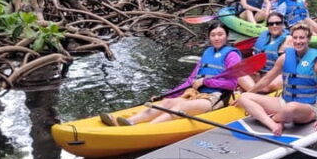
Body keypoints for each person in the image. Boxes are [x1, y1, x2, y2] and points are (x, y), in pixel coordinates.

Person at [99, 21, 253, 126]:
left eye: (220, 34)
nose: (217, 38)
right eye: (213, 35)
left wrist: (206, 82)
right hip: (196, 93)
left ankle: (145, 129)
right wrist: (166, 95)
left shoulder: (232, 55)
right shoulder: (207, 53)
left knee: (179, 106)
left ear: (226, 36)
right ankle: (129, 121)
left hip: (216, 98)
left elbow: (232, 84)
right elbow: (190, 81)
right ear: (209, 37)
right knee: (166, 103)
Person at [236, 23, 317, 136]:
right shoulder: (284, 58)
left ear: (309, 39)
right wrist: (249, 92)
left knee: (291, 108)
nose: (298, 41)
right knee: (244, 97)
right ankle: (273, 124)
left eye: (302, 38)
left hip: (307, 108)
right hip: (283, 102)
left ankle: (276, 118)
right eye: (295, 38)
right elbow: (266, 79)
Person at [247, 11, 290, 93]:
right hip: (260, 73)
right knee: (238, 75)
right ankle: (255, 91)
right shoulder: (264, 36)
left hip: (277, 75)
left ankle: (251, 92)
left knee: (267, 86)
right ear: (268, 26)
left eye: (277, 23)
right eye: (271, 24)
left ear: (283, 24)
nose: (274, 26)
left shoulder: (289, 40)